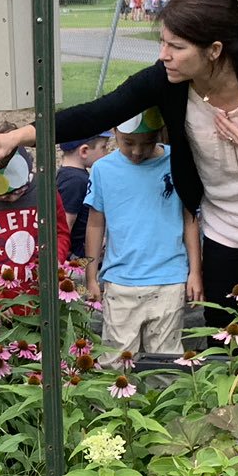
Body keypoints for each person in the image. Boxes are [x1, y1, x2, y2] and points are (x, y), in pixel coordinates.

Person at [0, 0, 238, 342]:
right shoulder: (166, 80)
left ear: (213, 50)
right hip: (229, 221)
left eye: (176, 47)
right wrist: (14, 137)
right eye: (162, 42)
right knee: (222, 322)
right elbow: (96, 114)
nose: (163, 54)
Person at [84, 117, 200, 359]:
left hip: (169, 280)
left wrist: (195, 272)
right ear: (114, 130)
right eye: (128, 143)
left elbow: (190, 219)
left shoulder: (178, 161)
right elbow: (95, 224)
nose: (137, 152)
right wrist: (91, 275)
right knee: (116, 361)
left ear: (159, 133)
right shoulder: (103, 170)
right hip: (120, 281)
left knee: (166, 362)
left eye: (147, 143)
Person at [57, 135, 106, 259]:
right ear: (84, 151)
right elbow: (66, 223)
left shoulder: (70, 175)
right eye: (103, 147)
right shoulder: (75, 181)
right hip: (78, 257)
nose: (106, 153)